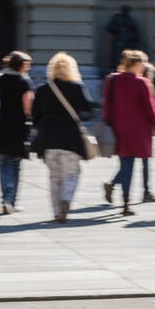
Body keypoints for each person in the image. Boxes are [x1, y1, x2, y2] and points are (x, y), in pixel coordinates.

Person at [101, 50, 155, 216]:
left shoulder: (112, 79)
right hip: (139, 130)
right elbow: (151, 109)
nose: (144, 66)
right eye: (143, 63)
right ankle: (125, 204)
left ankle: (124, 201)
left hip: (119, 128)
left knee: (126, 165)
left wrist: (107, 121)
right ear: (137, 64)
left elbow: (107, 103)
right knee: (132, 165)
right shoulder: (142, 82)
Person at [31, 52, 93, 223]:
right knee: (72, 174)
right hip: (70, 139)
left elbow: (35, 115)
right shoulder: (77, 87)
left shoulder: (43, 89)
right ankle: (66, 198)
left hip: (48, 138)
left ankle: (57, 211)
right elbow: (88, 108)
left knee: (54, 177)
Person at [0, 51, 33, 214]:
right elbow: (27, 107)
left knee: (3, 162)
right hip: (18, 127)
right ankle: (11, 200)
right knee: (15, 164)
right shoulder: (24, 81)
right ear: (21, 65)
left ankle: (5, 199)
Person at [137, 60, 155, 202]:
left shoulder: (134, 85)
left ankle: (112, 183)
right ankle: (146, 192)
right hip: (143, 131)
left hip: (130, 129)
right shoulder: (146, 86)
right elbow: (152, 111)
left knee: (127, 162)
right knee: (145, 163)